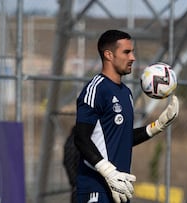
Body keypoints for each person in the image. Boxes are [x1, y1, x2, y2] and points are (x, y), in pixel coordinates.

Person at [74, 29, 179, 203]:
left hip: (120, 189)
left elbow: (123, 137)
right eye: (127, 52)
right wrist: (108, 172)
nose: (133, 58)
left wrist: (158, 125)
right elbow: (81, 139)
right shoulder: (96, 89)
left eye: (132, 52)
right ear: (108, 55)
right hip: (96, 189)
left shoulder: (126, 93)